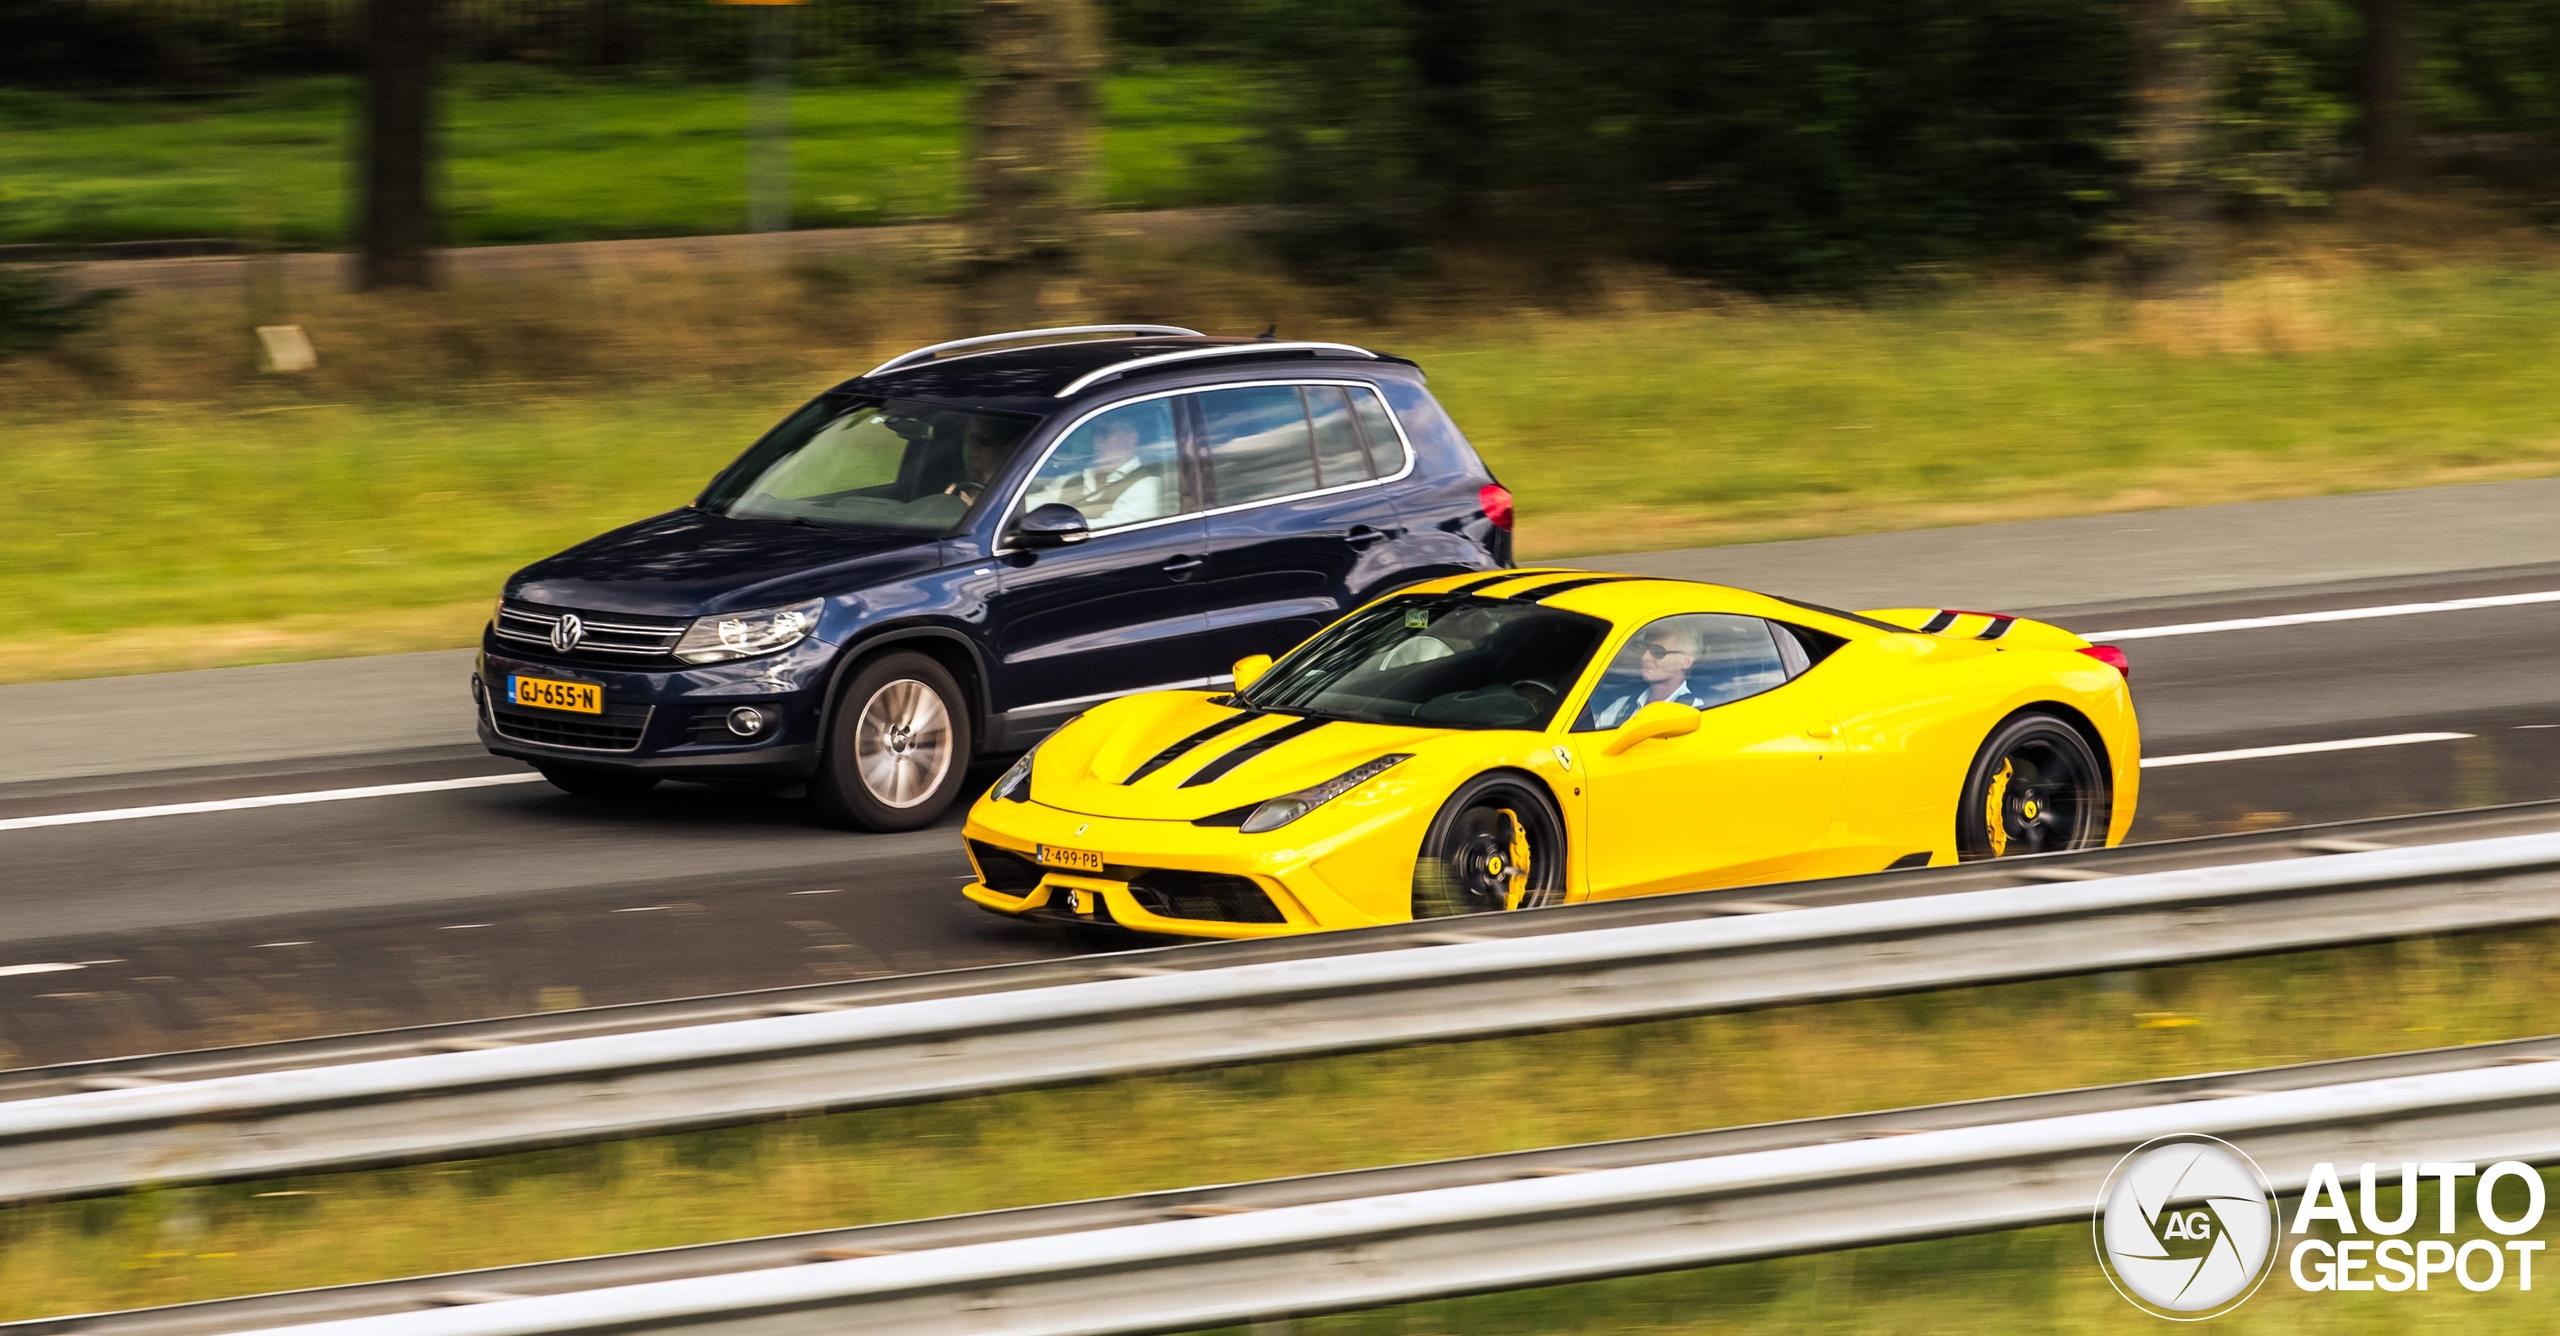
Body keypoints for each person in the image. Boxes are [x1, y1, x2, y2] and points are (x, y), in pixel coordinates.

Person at [1051, 418, 1170, 529]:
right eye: (1094, 433)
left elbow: (1116, 528)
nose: (1097, 440)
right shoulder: (1075, 477)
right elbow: (1037, 501)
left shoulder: (1146, 485)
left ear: (1131, 439)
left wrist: (1056, 524)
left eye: (1105, 433)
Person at [1590, 624, 1705, 727]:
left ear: (1686, 661)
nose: (1644, 657)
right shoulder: (1622, 705)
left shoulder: (1696, 712)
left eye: (1658, 652)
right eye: (1644, 648)